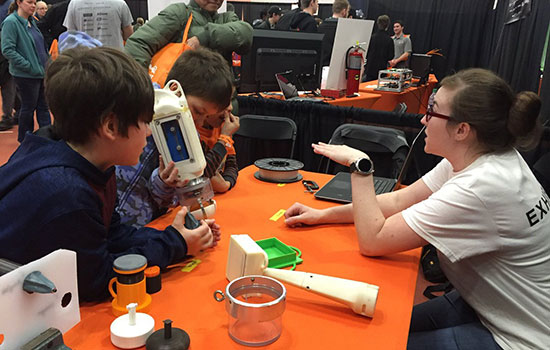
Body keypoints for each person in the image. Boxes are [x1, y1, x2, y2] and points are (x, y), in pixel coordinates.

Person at [283, 68, 549, 349]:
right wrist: (323, 215)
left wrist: (360, 165)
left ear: (462, 130)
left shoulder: (479, 187)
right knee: (377, 331)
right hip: (493, 305)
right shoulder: (483, 157)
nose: (423, 119)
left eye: (433, 112)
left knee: (378, 343)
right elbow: (399, 200)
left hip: (522, 338)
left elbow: (373, 239)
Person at [0, 47, 221, 302]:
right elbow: (98, 280)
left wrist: (177, 236)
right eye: (144, 122)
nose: (149, 133)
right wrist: (175, 245)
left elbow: (112, 234)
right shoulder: (67, 193)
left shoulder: (95, 165)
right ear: (111, 126)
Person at [117, 48, 239, 228]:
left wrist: (164, 182)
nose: (198, 121)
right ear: (175, 89)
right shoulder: (135, 108)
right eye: (197, 111)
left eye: (206, 117)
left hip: (144, 228)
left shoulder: (190, 135)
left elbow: (164, 199)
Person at [124, 0, 252, 70]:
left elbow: (245, 34)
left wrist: (204, 37)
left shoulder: (226, 18)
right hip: (183, 105)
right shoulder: (180, 13)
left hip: (222, 105)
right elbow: (138, 44)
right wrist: (144, 88)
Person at [1, 0, 51, 142]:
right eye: (30, 2)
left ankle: (47, 137)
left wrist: (47, 64)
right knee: (28, 107)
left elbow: (40, 45)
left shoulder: (31, 21)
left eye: (34, 3)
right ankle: (25, 139)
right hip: (26, 75)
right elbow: (8, 49)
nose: (33, 6)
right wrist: (28, 65)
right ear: (19, 3)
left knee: (43, 107)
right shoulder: (11, 22)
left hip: (40, 73)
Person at [63, 0, 133, 50]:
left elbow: (71, 35)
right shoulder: (120, 3)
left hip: (85, 57)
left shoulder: (74, 3)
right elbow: (128, 36)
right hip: (114, 58)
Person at [318, 0, 350, 67]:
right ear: (344, 11)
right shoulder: (344, 29)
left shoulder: (321, 26)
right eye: (348, 11)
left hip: (321, 65)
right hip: (336, 67)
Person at [363, 14, 394, 82]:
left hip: (370, 68)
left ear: (378, 24)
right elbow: (390, 56)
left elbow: (366, 52)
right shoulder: (389, 40)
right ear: (388, 25)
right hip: (381, 69)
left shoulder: (372, 37)